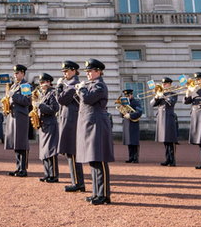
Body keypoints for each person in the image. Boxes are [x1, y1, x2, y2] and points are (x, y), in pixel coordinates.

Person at [76, 58, 114, 205]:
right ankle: (96, 192)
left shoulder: (100, 86)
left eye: (90, 71)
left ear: (98, 71)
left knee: (100, 160)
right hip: (90, 124)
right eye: (87, 71)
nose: (88, 74)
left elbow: (87, 99)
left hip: (97, 124)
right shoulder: (91, 84)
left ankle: (104, 194)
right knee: (93, 160)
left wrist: (81, 89)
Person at [56, 61, 85, 191]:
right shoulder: (69, 84)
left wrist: (59, 87)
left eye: (66, 71)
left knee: (72, 152)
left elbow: (61, 100)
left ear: (73, 71)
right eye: (64, 71)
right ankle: (77, 182)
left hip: (72, 121)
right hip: (67, 120)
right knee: (70, 152)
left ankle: (78, 183)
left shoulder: (73, 85)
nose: (64, 74)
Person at [4, 64, 32, 177]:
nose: (15, 75)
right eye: (14, 73)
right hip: (13, 115)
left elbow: (27, 101)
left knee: (22, 143)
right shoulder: (13, 86)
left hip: (21, 116)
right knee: (16, 143)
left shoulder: (25, 85)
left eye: (17, 73)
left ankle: (23, 169)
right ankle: (18, 167)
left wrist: (13, 97)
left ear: (22, 73)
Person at [35, 73, 60, 183]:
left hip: (50, 123)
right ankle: (47, 174)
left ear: (49, 82)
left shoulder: (52, 93)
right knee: (44, 151)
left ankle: (53, 175)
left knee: (51, 150)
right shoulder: (42, 94)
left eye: (43, 82)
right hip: (43, 124)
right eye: (40, 82)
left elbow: (54, 108)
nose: (41, 84)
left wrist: (40, 106)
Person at [151, 77, 178, 166]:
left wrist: (163, 95)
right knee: (165, 141)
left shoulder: (173, 94)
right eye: (163, 84)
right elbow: (152, 104)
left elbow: (171, 103)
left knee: (170, 140)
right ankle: (167, 159)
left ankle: (172, 160)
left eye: (165, 84)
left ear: (170, 84)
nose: (163, 85)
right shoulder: (160, 94)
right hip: (161, 118)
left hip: (169, 118)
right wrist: (156, 97)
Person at [120, 88, 142, 163]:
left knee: (134, 141)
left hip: (133, 123)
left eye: (128, 95)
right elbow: (121, 114)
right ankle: (130, 157)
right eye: (126, 96)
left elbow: (139, 112)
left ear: (131, 95)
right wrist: (122, 111)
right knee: (129, 141)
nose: (127, 97)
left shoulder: (136, 102)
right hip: (127, 123)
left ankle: (135, 158)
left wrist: (130, 115)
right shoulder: (125, 103)